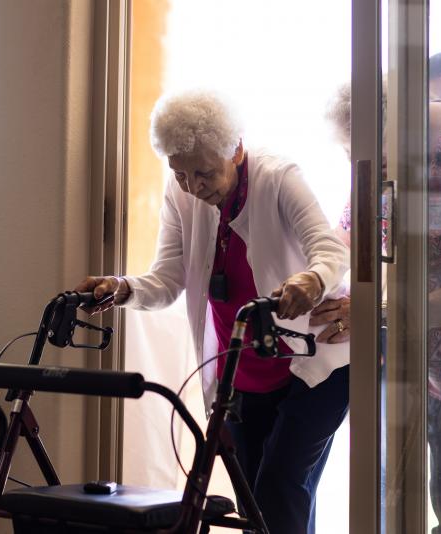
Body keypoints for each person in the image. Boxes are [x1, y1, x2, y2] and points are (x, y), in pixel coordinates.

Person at [75, 88, 350, 534]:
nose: (193, 187)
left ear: (236, 149)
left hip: (315, 365)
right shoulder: (182, 192)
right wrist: (121, 288)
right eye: (180, 173)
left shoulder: (278, 177)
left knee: (279, 489)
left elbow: (328, 249)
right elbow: (166, 282)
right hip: (242, 372)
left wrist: (312, 280)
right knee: (256, 508)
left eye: (204, 172)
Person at [324, 81, 441, 533]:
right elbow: (350, 238)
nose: (373, 170)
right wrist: (317, 276)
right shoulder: (383, 151)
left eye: (378, 157)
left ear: (405, 125)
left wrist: (375, 313)